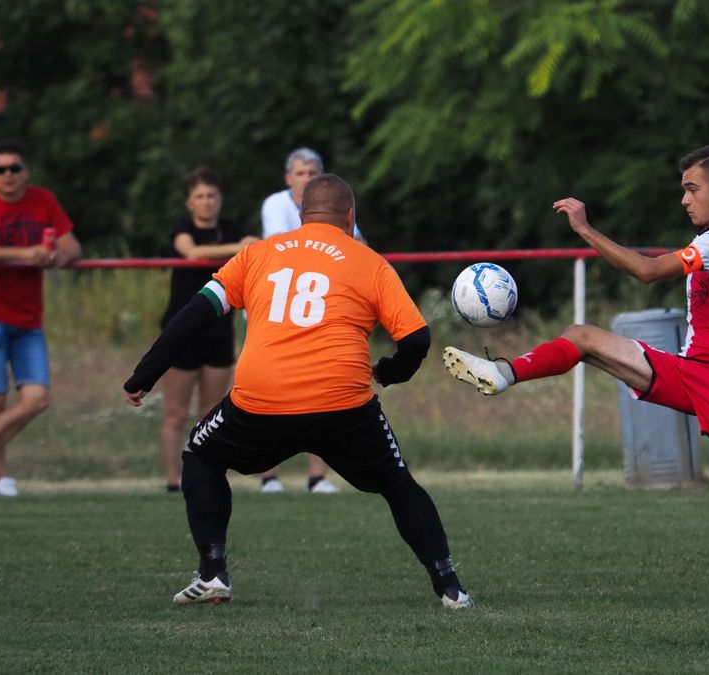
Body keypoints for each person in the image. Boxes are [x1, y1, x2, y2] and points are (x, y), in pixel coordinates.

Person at [443, 145, 709, 600]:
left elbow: (648, 272)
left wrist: (585, 229)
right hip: (693, 373)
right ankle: (503, 372)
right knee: (583, 337)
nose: (685, 199)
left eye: (692, 189)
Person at [123, 174, 471, 609]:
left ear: (301, 214)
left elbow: (196, 313)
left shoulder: (256, 254)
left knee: (200, 454)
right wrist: (389, 372)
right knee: (397, 483)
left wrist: (145, 373)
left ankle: (212, 573)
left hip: (261, 400)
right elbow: (417, 340)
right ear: (350, 216)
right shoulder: (369, 262)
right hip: (343, 403)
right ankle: (449, 586)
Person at [0, 140, 82, 497]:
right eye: (0, 169)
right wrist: (25, 252)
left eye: (14, 168)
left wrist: (58, 257)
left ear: (25, 172)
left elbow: (72, 246)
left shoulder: (43, 200)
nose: (7, 175)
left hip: (28, 318)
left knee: (37, 399)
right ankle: (1, 477)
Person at [256, 147, 364, 493]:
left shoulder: (333, 208)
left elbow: (359, 244)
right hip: (277, 310)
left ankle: (317, 475)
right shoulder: (276, 204)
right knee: (265, 389)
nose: (306, 178)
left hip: (320, 310)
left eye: (312, 172)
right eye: (300, 173)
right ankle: (267, 474)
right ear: (289, 178)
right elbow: (285, 249)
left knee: (322, 387)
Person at [157, 168, 258, 492]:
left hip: (218, 330)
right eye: (200, 196)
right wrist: (237, 248)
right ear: (189, 202)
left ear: (220, 200)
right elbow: (192, 252)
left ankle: (203, 475)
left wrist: (241, 246)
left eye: (212, 195)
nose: (206, 202)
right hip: (182, 331)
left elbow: (253, 249)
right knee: (176, 412)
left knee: (210, 412)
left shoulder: (230, 227)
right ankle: (173, 481)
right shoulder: (183, 228)